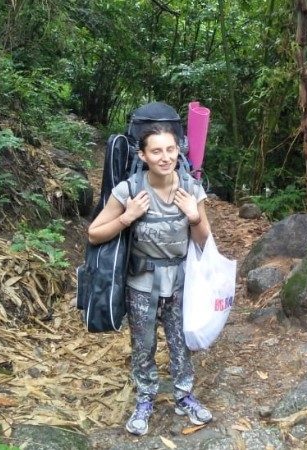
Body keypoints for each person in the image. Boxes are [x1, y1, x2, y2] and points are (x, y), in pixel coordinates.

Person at [87, 123, 213, 436]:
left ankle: (184, 395)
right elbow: (93, 234)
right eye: (156, 151)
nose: (165, 156)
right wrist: (126, 217)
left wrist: (193, 215)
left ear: (178, 151)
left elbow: (203, 240)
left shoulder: (190, 188)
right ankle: (145, 398)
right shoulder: (130, 189)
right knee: (143, 345)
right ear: (143, 155)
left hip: (181, 283)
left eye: (170, 149)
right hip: (140, 285)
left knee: (180, 344)